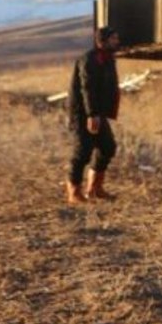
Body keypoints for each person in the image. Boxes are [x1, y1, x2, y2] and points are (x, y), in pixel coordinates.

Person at [65, 26, 122, 204]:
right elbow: (86, 87)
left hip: (97, 113)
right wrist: (92, 114)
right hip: (83, 114)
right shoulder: (89, 59)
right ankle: (74, 192)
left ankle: (94, 189)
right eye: (113, 39)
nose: (117, 42)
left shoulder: (107, 59)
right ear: (102, 41)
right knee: (82, 152)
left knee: (108, 147)